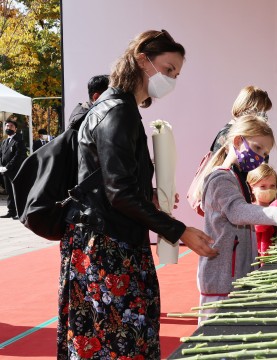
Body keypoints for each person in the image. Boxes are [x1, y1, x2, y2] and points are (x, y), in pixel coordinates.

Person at [57, 29, 218, 359]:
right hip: (107, 247)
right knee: (120, 343)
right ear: (143, 60)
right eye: (169, 69)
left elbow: (114, 184)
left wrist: (151, 197)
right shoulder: (118, 111)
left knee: (112, 340)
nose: (171, 79)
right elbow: (119, 194)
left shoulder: (116, 107)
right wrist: (179, 230)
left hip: (105, 241)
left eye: (176, 73)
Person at [198, 115, 277, 318]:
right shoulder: (221, 178)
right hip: (222, 281)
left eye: (265, 153)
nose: (260, 156)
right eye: (257, 148)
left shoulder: (235, 177)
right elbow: (238, 211)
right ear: (237, 141)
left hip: (234, 277)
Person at [209, 85, 272, 154]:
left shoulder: (249, 133)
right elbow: (219, 162)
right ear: (246, 107)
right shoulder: (228, 133)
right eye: (258, 111)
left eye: (264, 113)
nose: (262, 117)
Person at [0, 119, 27, 219]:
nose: (8, 128)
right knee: (9, 192)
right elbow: (0, 155)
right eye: (7, 126)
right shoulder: (4, 142)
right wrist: (1, 166)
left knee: (16, 191)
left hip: (14, 171)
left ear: (15, 128)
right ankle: (11, 211)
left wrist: (7, 167)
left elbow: (19, 155)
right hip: (5, 171)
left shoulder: (19, 141)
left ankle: (19, 212)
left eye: (11, 126)